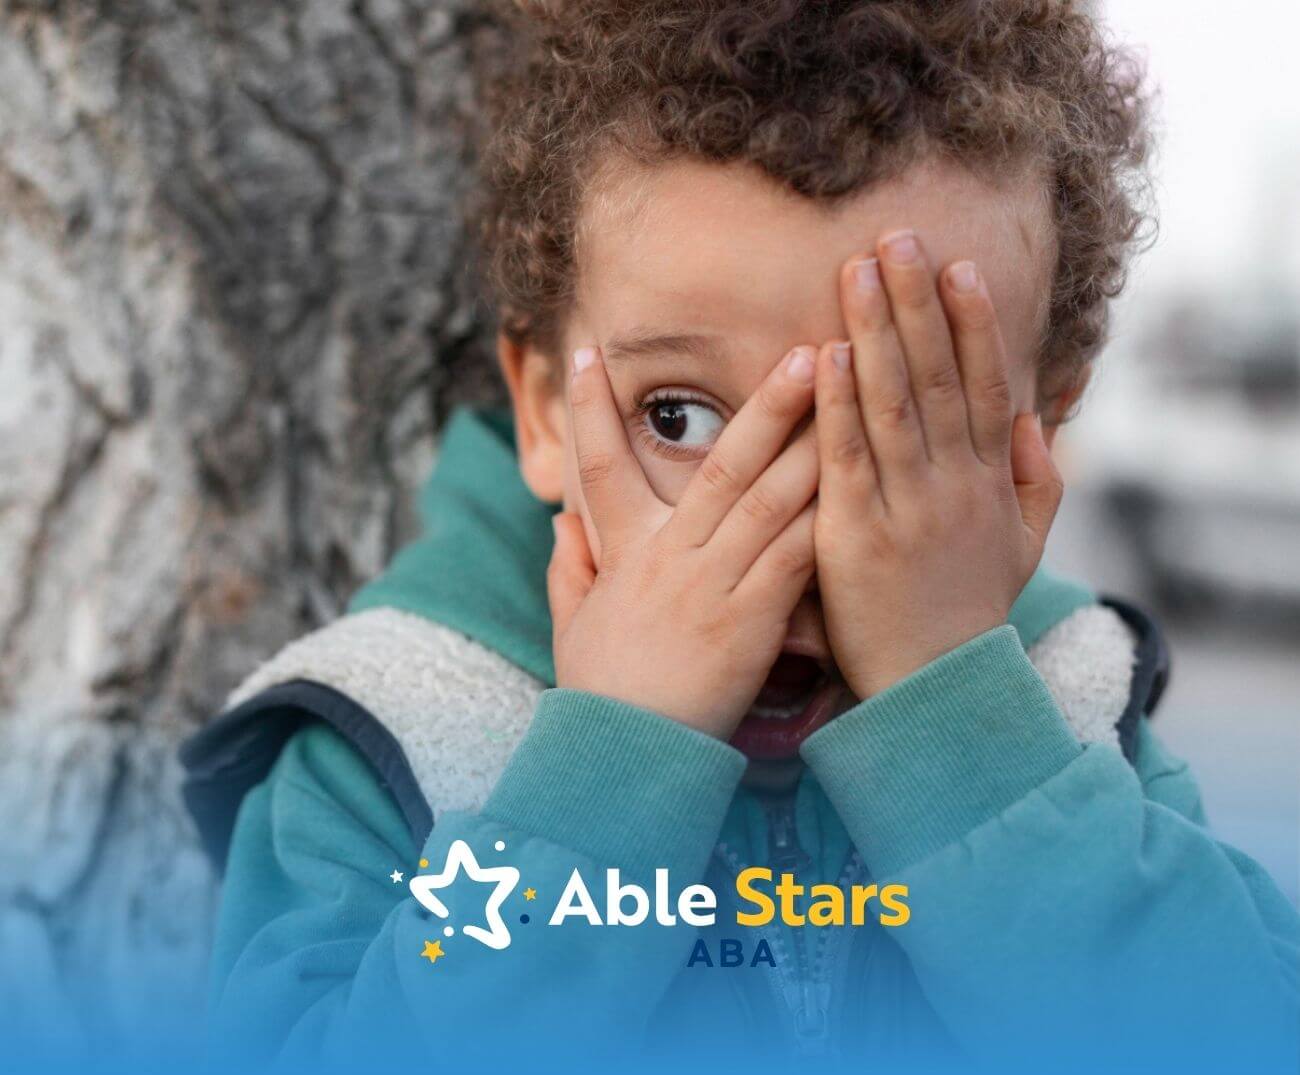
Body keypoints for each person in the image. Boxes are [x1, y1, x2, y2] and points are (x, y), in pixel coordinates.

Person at [180, 2, 1300, 1070]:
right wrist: (601, 777)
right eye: (678, 418)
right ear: (538, 411)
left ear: (1043, 424)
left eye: (902, 425)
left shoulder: (1064, 712)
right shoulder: (401, 736)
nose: (800, 530)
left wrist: (970, 744)